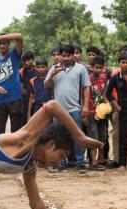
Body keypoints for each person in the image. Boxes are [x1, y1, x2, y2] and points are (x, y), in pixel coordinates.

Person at [44, 44, 91, 173]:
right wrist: (52, 74)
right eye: (63, 55)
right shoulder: (54, 68)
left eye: (68, 55)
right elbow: (46, 86)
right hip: (57, 110)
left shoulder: (81, 69)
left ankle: (80, 162)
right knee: (60, 138)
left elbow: (86, 87)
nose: (65, 58)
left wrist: (85, 106)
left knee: (77, 136)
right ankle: (61, 163)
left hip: (74, 109)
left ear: (73, 56)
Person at [0, 32, 24, 134]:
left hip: (15, 98)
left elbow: (19, 37)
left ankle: (16, 150)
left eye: (5, 43)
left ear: (9, 44)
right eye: (0, 43)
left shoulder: (14, 55)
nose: (2, 45)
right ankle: (0, 151)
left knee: (16, 131)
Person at [86, 56, 109, 170]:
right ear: (91, 67)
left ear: (103, 68)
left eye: (100, 68)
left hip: (102, 110)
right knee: (92, 136)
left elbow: (104, 93)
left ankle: (101, 158)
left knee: (102, 135)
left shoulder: (104, 78)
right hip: (91, 111)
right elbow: (84, 96)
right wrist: (84, 110)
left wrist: (107, 105)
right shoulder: (88, 79)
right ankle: (93, 162)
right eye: (96, 67)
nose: (98, 70)